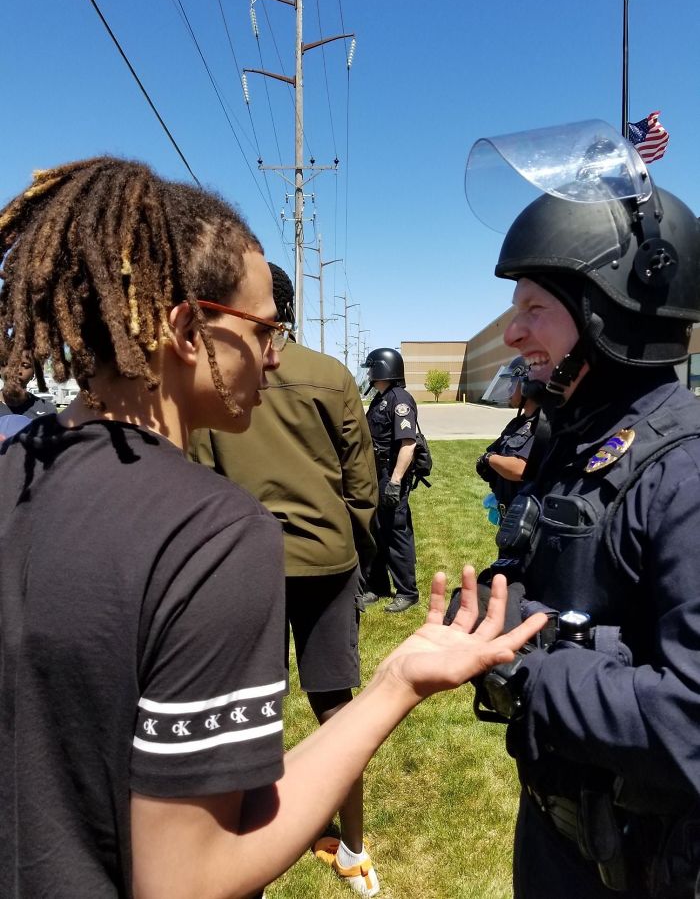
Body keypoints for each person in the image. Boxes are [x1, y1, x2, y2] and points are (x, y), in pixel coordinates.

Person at [0, 157, 545, 899]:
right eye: (265, 329)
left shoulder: (14, 470)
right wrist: (395, 684)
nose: (275, 354)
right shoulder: (214, 534)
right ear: (188, 329)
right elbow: (186, 880)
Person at [469, 130, 700, 898]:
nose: (512, 333)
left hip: (644, 864)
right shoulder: (570, 438)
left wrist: (529, 668)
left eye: (536, 307)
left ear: (610, 312)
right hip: (558, 831)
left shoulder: (683, 469)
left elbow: (690, 718)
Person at [189, 264, 381, 897]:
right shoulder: (330, 375)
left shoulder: (216, 381)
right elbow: (362, 477)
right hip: (327, 558)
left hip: (246, 563)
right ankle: (354, 847)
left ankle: (248, 856)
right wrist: (355, 538)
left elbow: (203, 474)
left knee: (247, 713)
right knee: (336, 707)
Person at [362, 347, 420, 613]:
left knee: (397, 532)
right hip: (376, 474)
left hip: (391, 474)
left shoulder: (400, 400)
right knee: (377, 531)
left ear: (382, 369)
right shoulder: (380, 398)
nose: (370, 374)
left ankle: (407, 591)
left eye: (372, 368)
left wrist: (395, 482)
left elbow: (408, 443)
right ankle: (378, 586)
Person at [475, 355, 540, 522]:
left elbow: (521, 470)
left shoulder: (542, 424)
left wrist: (489, 459)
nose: (509, 388)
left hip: (528, 521)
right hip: (509, 517)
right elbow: (493, 451)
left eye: (513, 382)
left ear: (528, 384)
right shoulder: (518, 422)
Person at [0, 349, 57, 418]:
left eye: (25, 365)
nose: (17, 370)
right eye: (10, 363)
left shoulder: (47, 411)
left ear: (34, 373)